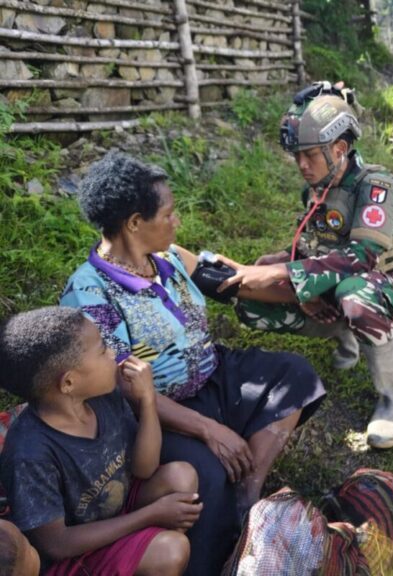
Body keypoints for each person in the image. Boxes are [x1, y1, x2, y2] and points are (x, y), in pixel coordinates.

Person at [59, 151, 326, 575]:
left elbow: (233, 283)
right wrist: (207, 429)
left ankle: (248, 492)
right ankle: (214, 557)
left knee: (294, 376)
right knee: (206, 478)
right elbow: (126, 386)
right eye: (168, 214)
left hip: (211, 374)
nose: (177, 221)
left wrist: (311, 288)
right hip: (154, 411)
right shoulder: (90, 292)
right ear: (134, 223)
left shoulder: (168, 258)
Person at [219, 82, 393, 449]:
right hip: (333, 279)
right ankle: (342, 331)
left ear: (339, 149)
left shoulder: (376, 186)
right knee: (252, 302)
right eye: (297, 156)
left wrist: (287, 276)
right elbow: (310, 246)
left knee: (356, 297)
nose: (302, 165)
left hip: (381, 281)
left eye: (310, 154)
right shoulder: (316, 190)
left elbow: (363, 256)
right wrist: (283, 267)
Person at [0, 306, 202, 575]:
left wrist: (147, 401)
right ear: (68, 383)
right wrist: (151, 515)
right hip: (76, 552)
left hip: (115, 511)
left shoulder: (103, 398)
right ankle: (147, 555)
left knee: (181, 476)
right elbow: (57, 544)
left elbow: (145, 469)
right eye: (102, 349)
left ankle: (141, 551)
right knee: (171, 551)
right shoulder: (29, 453)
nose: (114, 354)